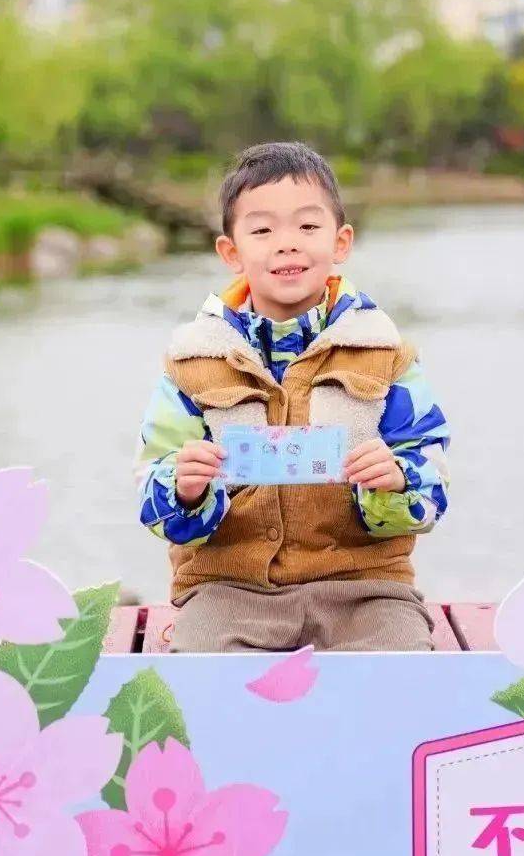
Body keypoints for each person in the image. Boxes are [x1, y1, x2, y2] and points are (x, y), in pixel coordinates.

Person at [134, 140, 450, 653]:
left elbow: (432, 484)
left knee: (400, 665)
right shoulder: (192, 359)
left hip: (366, 589)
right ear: (231, 253)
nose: (287, 244)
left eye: (307, 226)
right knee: (203, 669)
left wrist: (397, 479)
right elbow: (153, 493)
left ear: (341, 242)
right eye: (262, 231)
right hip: (228, 590)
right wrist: (184, 488)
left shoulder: (386, 351)